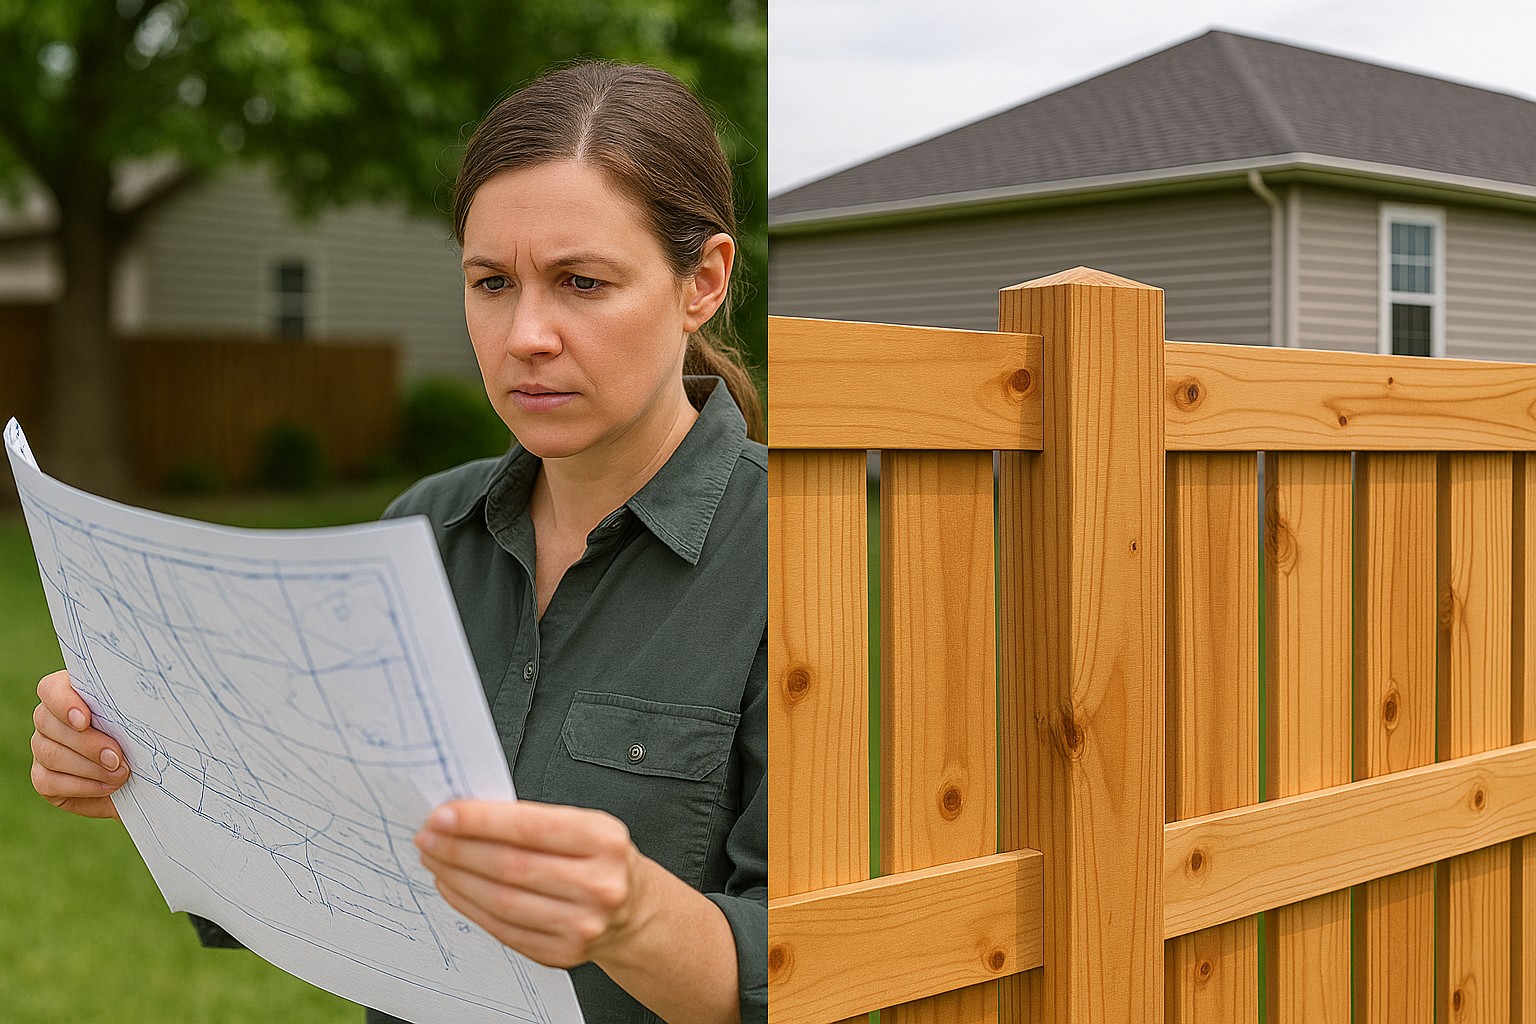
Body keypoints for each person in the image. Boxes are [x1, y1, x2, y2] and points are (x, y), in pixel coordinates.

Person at [28, 61, 766, 1024]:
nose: (526, 334)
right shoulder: (418, 532)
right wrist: (138, 766)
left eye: (582, 282)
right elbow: (307, 851)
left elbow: (819, 972)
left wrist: (632, 917)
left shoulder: (792, 555)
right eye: (491, 282)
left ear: (702, 281)